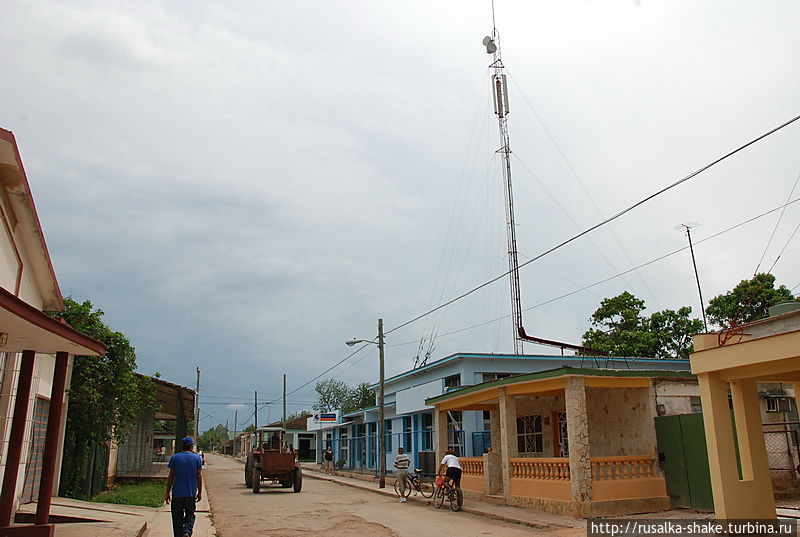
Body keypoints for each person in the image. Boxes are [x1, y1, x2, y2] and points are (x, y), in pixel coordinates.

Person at [165, 437, 203, 537]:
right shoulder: (196, 458)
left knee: (177, 517)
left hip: (177, 494)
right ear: (191, 446)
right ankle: (187, 531)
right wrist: (199, 492)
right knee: (190, 514)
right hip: (190, 494)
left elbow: (171, 476)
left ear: (182, 446)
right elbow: (199, 476)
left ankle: (179, 535)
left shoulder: (175, 457)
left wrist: (167, 492)